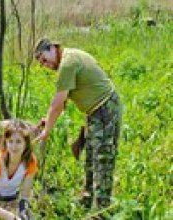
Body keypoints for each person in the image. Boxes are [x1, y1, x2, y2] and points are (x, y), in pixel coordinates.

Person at [34, 38, 123, 210]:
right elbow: (64, 98)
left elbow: (57, 104)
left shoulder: (67, 63)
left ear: (52, 48)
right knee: (90, 157)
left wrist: (46, 131)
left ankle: (102, 209)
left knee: (102, 160)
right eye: (41, 63)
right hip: (95, 113)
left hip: (105, 109)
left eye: (44, 59)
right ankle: (87, 200)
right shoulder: (68, 59)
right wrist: (48, 120)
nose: (45, 64)